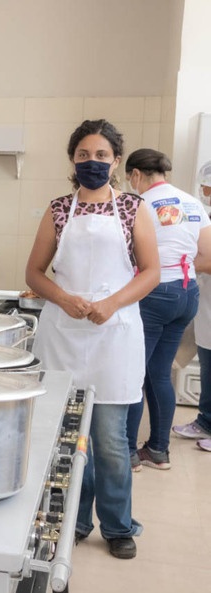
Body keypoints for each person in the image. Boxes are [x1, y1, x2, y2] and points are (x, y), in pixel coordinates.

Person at [25, 119, 160, 560]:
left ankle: (119, 525)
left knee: (111, 443)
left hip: (114, 338)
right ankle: (74, 522)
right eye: (84, 155)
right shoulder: (59, 209)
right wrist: (62, 298)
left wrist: (114, 303)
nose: (92, 162)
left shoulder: (134, 209)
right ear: (72, 160)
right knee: (66, 440)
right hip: (63, 336)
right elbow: (33, 273)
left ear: (116, 161)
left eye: (101, 155)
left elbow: (152, 272)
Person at [123, 149, 211, 470]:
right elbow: (209, 255)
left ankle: (128, 453)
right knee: (159, 373)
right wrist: (178, 267)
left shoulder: (139, 204)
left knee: (133, 374)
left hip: (154, 294)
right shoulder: (192, 202)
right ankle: (158, 450)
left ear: (135, 175)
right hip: (187, 293)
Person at [173, 159, 211, 452]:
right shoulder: (206, 215)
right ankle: (206, 422)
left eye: (207, 188)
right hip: (206, 308)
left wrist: (182, 262)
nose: (204, 192)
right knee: (208, 365)